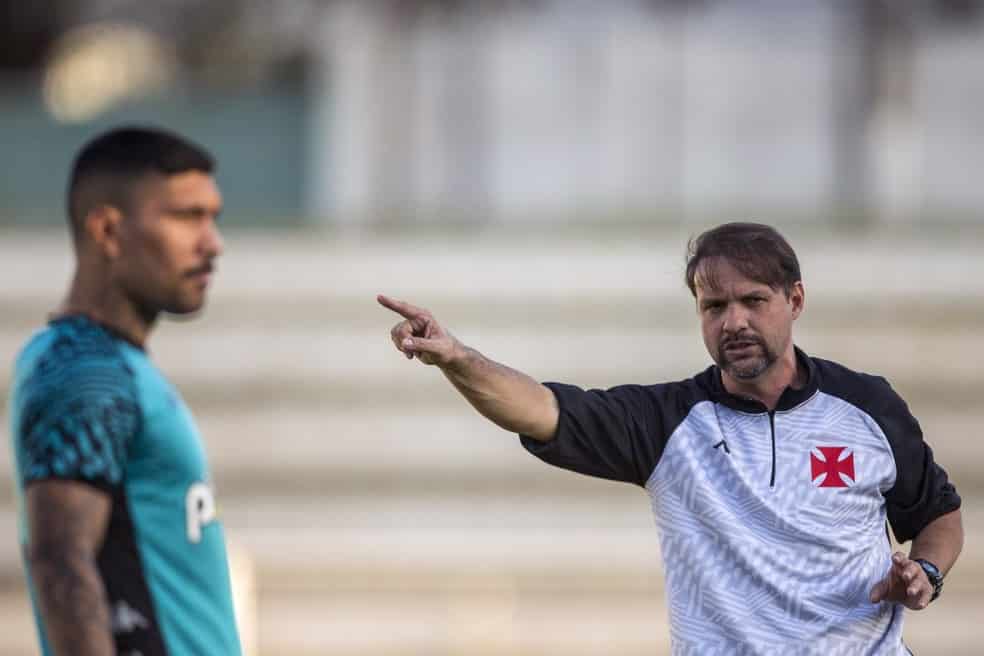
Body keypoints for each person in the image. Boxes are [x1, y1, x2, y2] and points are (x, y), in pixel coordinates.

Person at [378, 222, 964, 654]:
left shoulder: (867, 405)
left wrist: (926, 575)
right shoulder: (667, 422)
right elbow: (537, 410)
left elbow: (939, 515)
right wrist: (457, 359)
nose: (733, 321)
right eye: (714, 306)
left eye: (753, 301)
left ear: (795, 300)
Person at [8, 127, 241, 656]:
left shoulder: (116, 365)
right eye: (187, 217)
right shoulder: (85, 372)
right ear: (109, 230)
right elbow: (60, 559)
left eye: (213, 217)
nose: (213, 243)